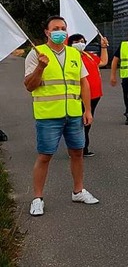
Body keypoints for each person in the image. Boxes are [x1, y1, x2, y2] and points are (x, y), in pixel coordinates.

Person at [24, 16, 99, 216]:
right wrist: (41, 67)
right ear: (47, 32)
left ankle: (78, 190)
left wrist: (88, 109)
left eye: (63, 28)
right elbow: (29, 85)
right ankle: (37, 198)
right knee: (45, 156)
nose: (60, 31)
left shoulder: (74, 54)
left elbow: (84, 83)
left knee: (77, 153)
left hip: (74, 114)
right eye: (56, 28)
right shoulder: (36, 53)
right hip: (48, 115)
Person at [67, 33, 110, 156]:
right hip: (79, 95)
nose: (79, 43)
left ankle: (83, 147)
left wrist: (103, 47)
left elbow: (103, 61)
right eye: (76, 42)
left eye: (81, 41)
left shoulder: (88, 55)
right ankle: (78, 148)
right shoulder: (70, 57)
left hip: (95, 95)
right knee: (79, 123)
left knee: (87, 122)